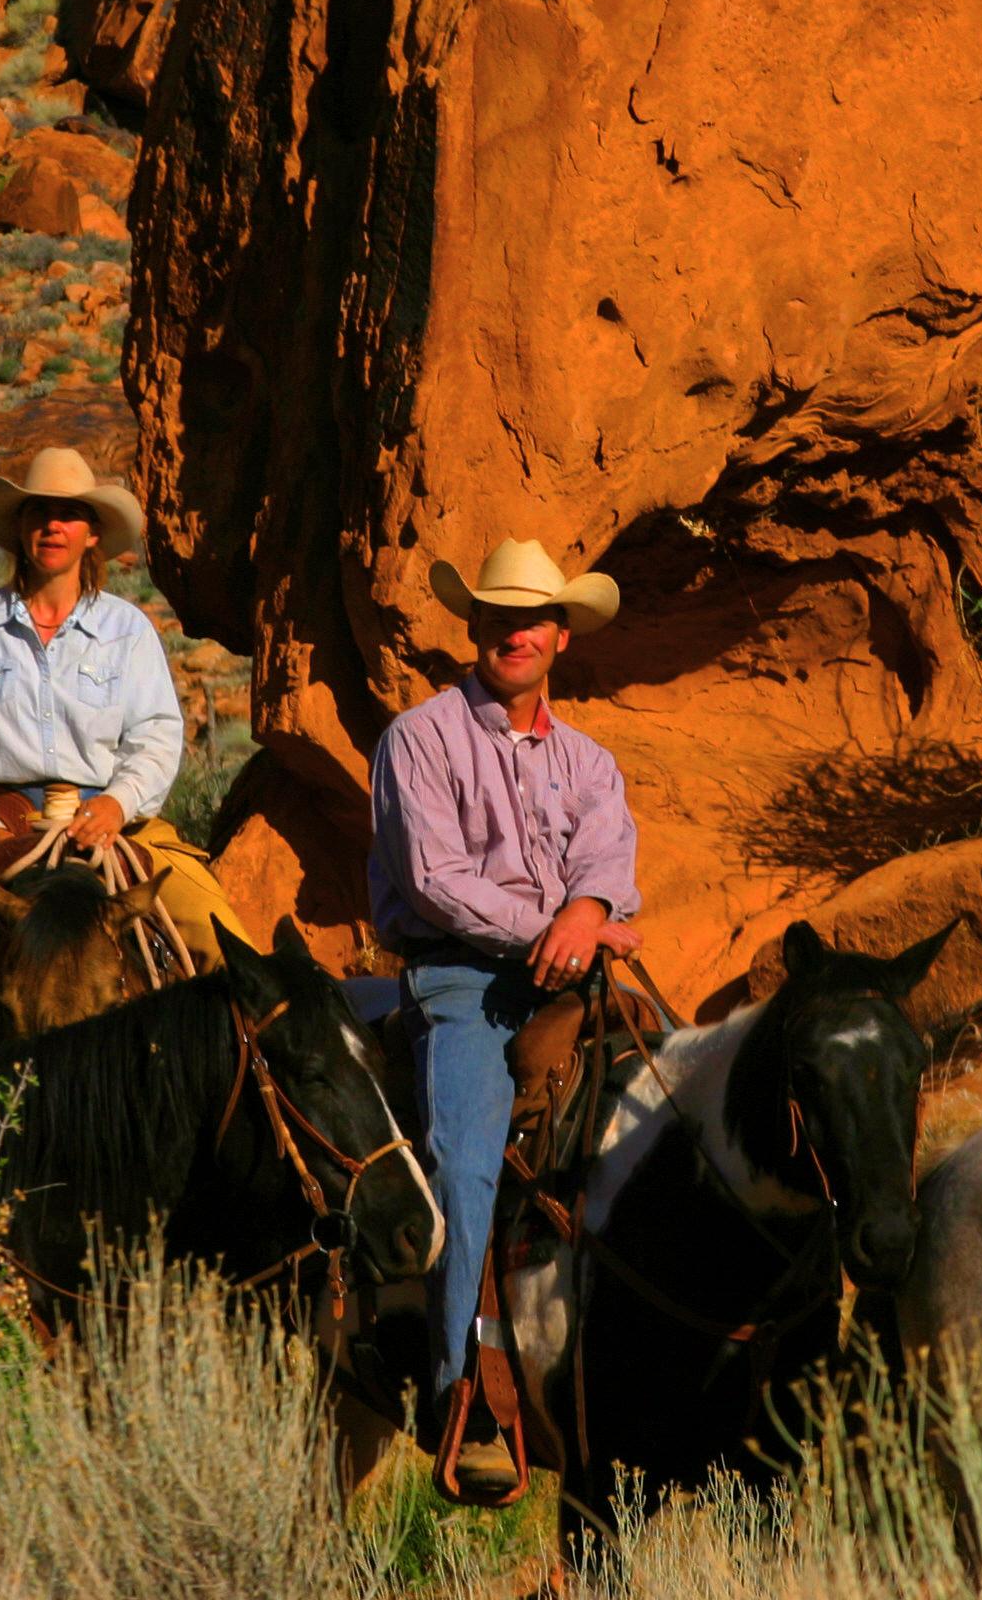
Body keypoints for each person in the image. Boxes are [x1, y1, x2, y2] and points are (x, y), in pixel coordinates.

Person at [368, 538, 644, 1496]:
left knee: (672, 1108)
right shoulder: (421, 738)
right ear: (473, 628)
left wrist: (590, 913)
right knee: (467, 1159)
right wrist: (556, 929)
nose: (515, 633)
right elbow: (437, 884)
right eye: (498, 618)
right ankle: (464, 1397)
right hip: (460, 982)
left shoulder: (591, 760)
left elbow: (610, 865)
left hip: (571, 978)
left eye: (533, 619)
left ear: (561, 636)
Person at [0, 445, 249, 1030]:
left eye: (69, 514)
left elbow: (156, 737)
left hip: (116, 825)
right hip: (2, 826)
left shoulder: (127, 628)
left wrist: (116, 803)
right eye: (39, 512)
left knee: (229, 949)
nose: (53, 525)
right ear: (20, 528)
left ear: (93, 534)